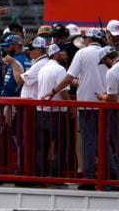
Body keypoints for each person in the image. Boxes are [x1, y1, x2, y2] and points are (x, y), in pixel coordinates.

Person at [43, 29, 116, 190]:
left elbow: (69, 77)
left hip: (87, 104)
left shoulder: (82, 53)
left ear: (88, 38)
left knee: (89, 142)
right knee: (104, 140)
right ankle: (112, 174)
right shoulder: (107, 52)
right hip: (106, 103)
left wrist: (53, 91)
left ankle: (90, 177)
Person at [34, 43, 70, 178]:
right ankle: (57, 178)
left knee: (41, 148)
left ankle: (40, 177)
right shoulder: (59, 69)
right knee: (60, 147)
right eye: (63, 53)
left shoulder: (43, 68)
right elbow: (64, 93)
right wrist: (71, 109)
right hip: (57, 113)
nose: (65, 56)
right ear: (56, 54)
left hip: (41, 112)